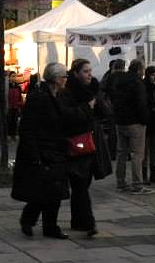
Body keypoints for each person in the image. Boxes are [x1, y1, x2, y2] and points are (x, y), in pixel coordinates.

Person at [11, 63, 70, 239]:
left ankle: (49, 226)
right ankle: (29, 219)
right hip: (42, 151)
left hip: (54, 150)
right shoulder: (39, 97)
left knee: (54, 191)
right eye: (64, 76)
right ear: (56, 79)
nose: (66, 79)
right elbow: (28, 128)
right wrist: (35, 155)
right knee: (43, 191)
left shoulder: (56, 96)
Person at [62, 59, 100, 237]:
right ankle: (88, 222)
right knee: (80, 184)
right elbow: (68, 117)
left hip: (90, 142)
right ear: (75, 73)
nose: (89, 75)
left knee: (82, 185)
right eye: (85, 71)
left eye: (90, 71)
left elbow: (105, 112)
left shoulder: (90, 91)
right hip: (75, 143)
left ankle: (78, 221)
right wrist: (87, 107)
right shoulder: (68, 92)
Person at [108, 59, 154, 195]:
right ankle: (137, 184)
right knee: (137, 154)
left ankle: (120, 182)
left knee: (121, 153)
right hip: (135, 122)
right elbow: (141, 104)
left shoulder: (119, 80)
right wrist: (145, 120)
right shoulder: (137, 83)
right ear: (139, 69)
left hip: (120, 121)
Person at [7, 71, 24, 142]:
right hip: (9, 107)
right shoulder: (7, 86)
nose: (14, 78)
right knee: (9, 121)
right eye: (12, 76)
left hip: (16, 106)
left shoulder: (18, 86)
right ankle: (9, 134)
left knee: (15, 121)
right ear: (9, 77)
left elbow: (20, 96)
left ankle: (15, 134)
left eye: (15, 76)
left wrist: (20, 104)